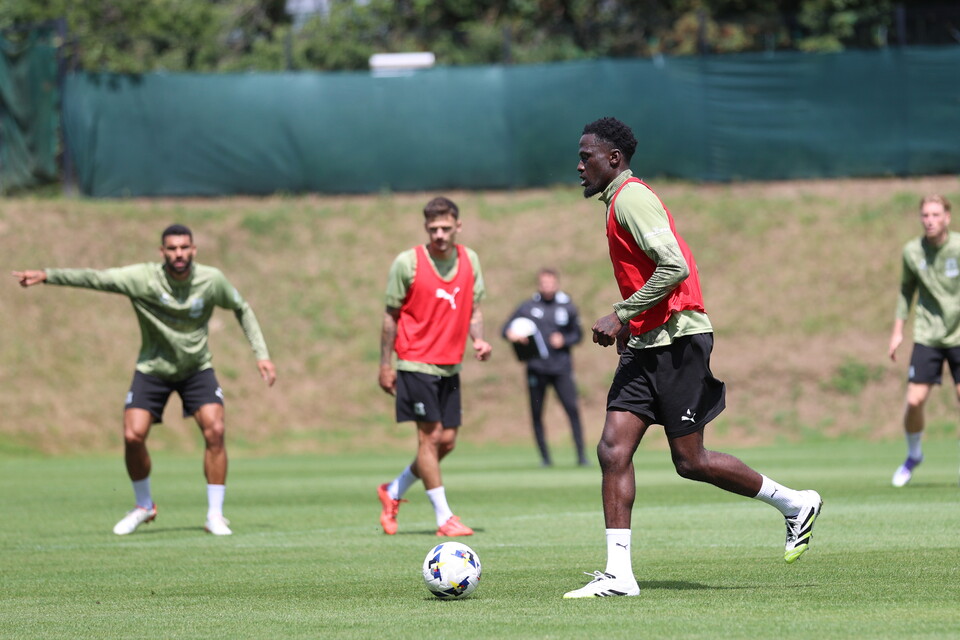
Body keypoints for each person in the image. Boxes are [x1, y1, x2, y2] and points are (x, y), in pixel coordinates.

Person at [563, 117, 822, 598]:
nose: (579, 165)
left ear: (613, 158)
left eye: (586, 156)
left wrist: (622, 313)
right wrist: (634, 325)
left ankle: (795, 503)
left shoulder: (631, 197)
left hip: (679, 341)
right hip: (648, 343)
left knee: (691, 461)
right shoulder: (615, 202)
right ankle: (619, 575)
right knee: (612, 449)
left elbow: (675, 265)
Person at [12, 224, 276, 537]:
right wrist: (47, 275)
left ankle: (215, 515)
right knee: (133, 435)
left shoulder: (211, 280)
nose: (179, 253)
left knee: (215, 430)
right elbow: (98, 278)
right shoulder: (143, 278)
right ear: (162, 252)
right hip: (153, 369)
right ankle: (144, 506)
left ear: (193, 250)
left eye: (184, 247)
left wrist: (261, 354)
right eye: (172, 248)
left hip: (196, 369)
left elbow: (241, 307)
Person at [377, 196, 492, 537]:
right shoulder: (407, 263)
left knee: (448, 441)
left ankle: (393, 490)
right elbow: (390, 316)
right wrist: (385, 365)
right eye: (433, 229)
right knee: (429, 439)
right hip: (415, 361)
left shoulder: (470, 260)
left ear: (458, 226)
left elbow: (473, 310)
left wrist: (479, 340)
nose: (439, 234)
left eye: (445, 227)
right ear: (426, 228)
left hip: (450, 366)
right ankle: (444, 519)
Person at [888, 195, 960, 487]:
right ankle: (914, 455)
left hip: (958, 335)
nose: (929, 220)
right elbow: (906, 291)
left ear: (947, 218)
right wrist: (897, 331)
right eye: (925, 215)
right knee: (914, 401)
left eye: (935, 214)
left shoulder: (958, 247)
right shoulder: (912, 252)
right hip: (928, 335)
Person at [502, 268, 588, 467]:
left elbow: (579, 334)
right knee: (537, 412)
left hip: (561, 369)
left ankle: (581, 456)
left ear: (556, 283)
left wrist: (564, 339)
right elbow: (505, 328)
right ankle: (545, 458)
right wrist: (511, 334)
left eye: (550, 283)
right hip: (536, 368)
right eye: (543, 283)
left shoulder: (567, 306)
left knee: (572, 410)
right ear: (539, 285)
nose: (547, 286)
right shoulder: (528, 306)